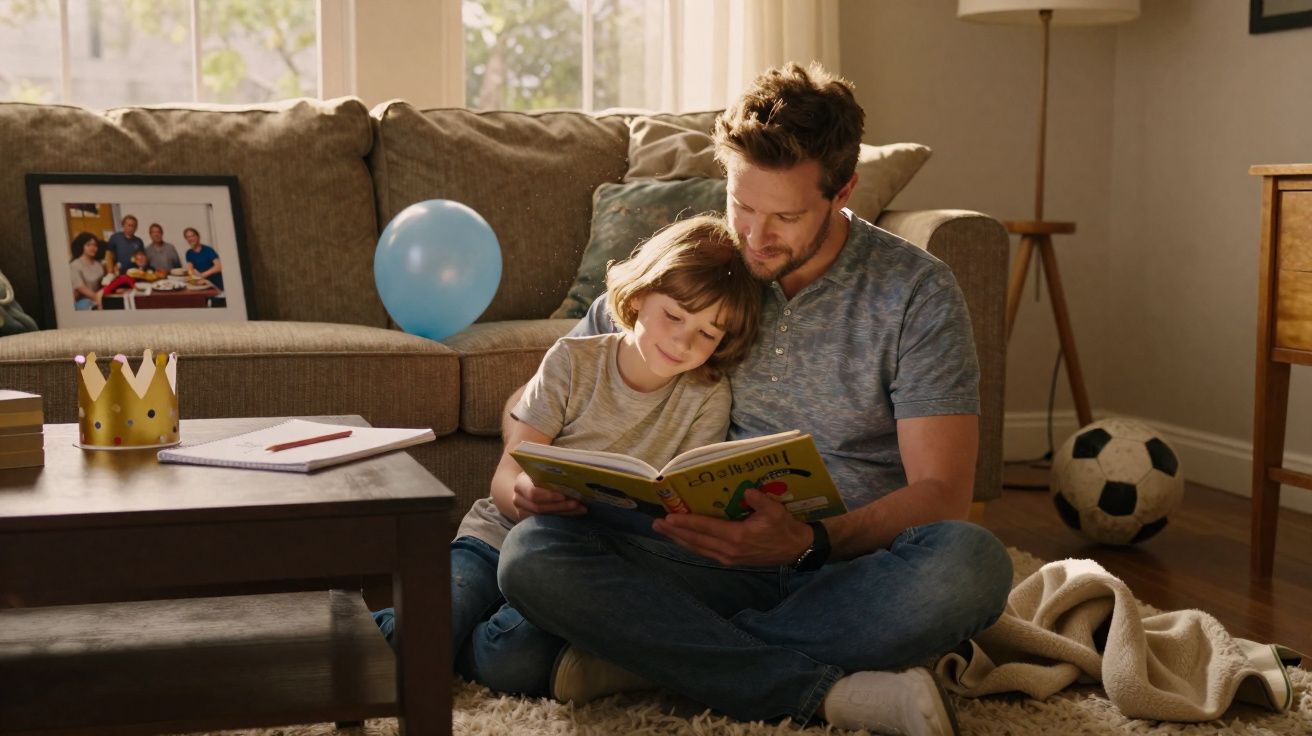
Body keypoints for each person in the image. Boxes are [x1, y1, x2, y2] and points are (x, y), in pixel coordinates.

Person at [496, 62, 1014, 735]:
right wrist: (522, 473)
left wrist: (811, 540)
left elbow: (942, 492)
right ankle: (813, 687)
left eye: (785, 217)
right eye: (741, 204)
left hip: (844, 568)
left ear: (844, 191)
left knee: (971, 566)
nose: (754, 236)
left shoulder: (914, 293)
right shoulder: (702, 270)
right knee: (531, 556)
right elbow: (536, 397)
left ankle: (654, 657)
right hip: (692, 557)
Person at [372, 214, 762, 698]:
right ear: (639, 296)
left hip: (578, 564)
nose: (684, 342)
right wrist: (525, 496)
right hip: (498, 535)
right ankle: (374, 630)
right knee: (429, 623)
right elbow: (507, 474)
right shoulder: (572, 361)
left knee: (513, 661)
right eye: (675, 316)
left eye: (708, 334)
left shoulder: (708, 394)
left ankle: (457, 643)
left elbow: (681, 495)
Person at [68, 231, 105, 311]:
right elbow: (80, 288)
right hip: (81, 302)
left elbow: (102, 285)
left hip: (97, 299)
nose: (92, 248)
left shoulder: (98, 264)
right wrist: (99, 299)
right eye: (88, 245)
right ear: (82, 246)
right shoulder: (74, 265)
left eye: (95, 245)